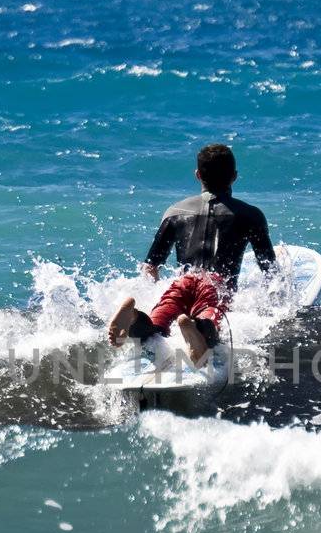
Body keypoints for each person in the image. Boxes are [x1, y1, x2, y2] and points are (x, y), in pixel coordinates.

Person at [108, 143, 276, 366]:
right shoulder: (250, 215)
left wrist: (154, 288)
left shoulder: (174, 212)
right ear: (234, 176)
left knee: (154, 330)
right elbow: (270, 271)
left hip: (183, 283)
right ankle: (195, 331)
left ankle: (135, 318)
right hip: (215, 285)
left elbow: (150, 267)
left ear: (198, 175)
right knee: (211, 318)